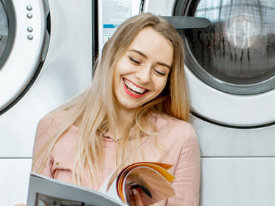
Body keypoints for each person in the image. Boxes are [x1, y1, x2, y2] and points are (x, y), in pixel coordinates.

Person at [31, 13, 199, 206]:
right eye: (135, 60)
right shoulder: (53, 126)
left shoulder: (179, 137)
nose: (144, 77)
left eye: (159, 71)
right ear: (112, 54)